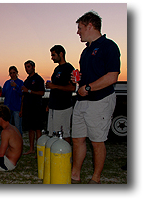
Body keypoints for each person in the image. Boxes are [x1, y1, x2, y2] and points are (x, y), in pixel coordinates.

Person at [71, 11, 121, 184]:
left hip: (100, 101)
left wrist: (89, 87)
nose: (78, 32)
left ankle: (96, 179)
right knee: (77, 139)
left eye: (80, 28)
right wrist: (78, 80)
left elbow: (112, 77)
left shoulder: (109, 46)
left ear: (90, 26)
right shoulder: (85, 52)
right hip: (81, 102)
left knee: (97, 142)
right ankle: (75, 175)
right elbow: (87, 78)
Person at [46, 45, 76, 144]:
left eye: (53, 55)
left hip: (63, 106)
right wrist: (49, 105)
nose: (52, 58)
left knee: (64, 133)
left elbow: (72, 88)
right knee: (53, 132)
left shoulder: (68, 68)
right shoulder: (57, 69)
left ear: (61, 54)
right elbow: (55, 87)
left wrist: (54, 86)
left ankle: (67, 156)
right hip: (54, 106)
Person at [20, 60, 45, 155]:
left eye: (28, 66)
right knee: (30, 129)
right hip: (27, 108)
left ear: (33, 67)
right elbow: (23, 95)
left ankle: (39, 150)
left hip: (36, 107)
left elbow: (42, 93)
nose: (27, 69)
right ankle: (31, 149)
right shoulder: (26, 81)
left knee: (38, 128)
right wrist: (22, 109)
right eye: (26, 67)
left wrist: (29, 91)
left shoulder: (38, 79)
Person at [0, 66, 24, 135]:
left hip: (16, 108)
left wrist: (16, 86)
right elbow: (3, 94)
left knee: (18, 127)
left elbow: (22, 94)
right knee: (7, 126)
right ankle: (8, 142)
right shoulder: (7, 83)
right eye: (10, 73)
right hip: (7, 108)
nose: (12, 75)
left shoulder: (20, 82)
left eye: (13, 73)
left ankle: (19, 143)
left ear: (17, 73)